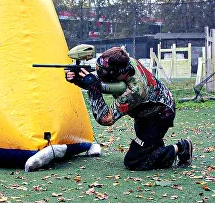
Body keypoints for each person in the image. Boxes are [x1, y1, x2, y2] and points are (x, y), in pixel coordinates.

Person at [65, 46, 193, 171]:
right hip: (146, 112)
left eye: (104, 73)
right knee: (148, 149)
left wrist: (93, 88)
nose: (101, 75)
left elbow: (106, 118)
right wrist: (80, 79)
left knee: (134, 161)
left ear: (117, 75)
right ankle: (160, 153)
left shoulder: (135, 90)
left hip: (159, 116)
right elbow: (107, 83)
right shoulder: (125, 61)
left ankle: (182, 147)